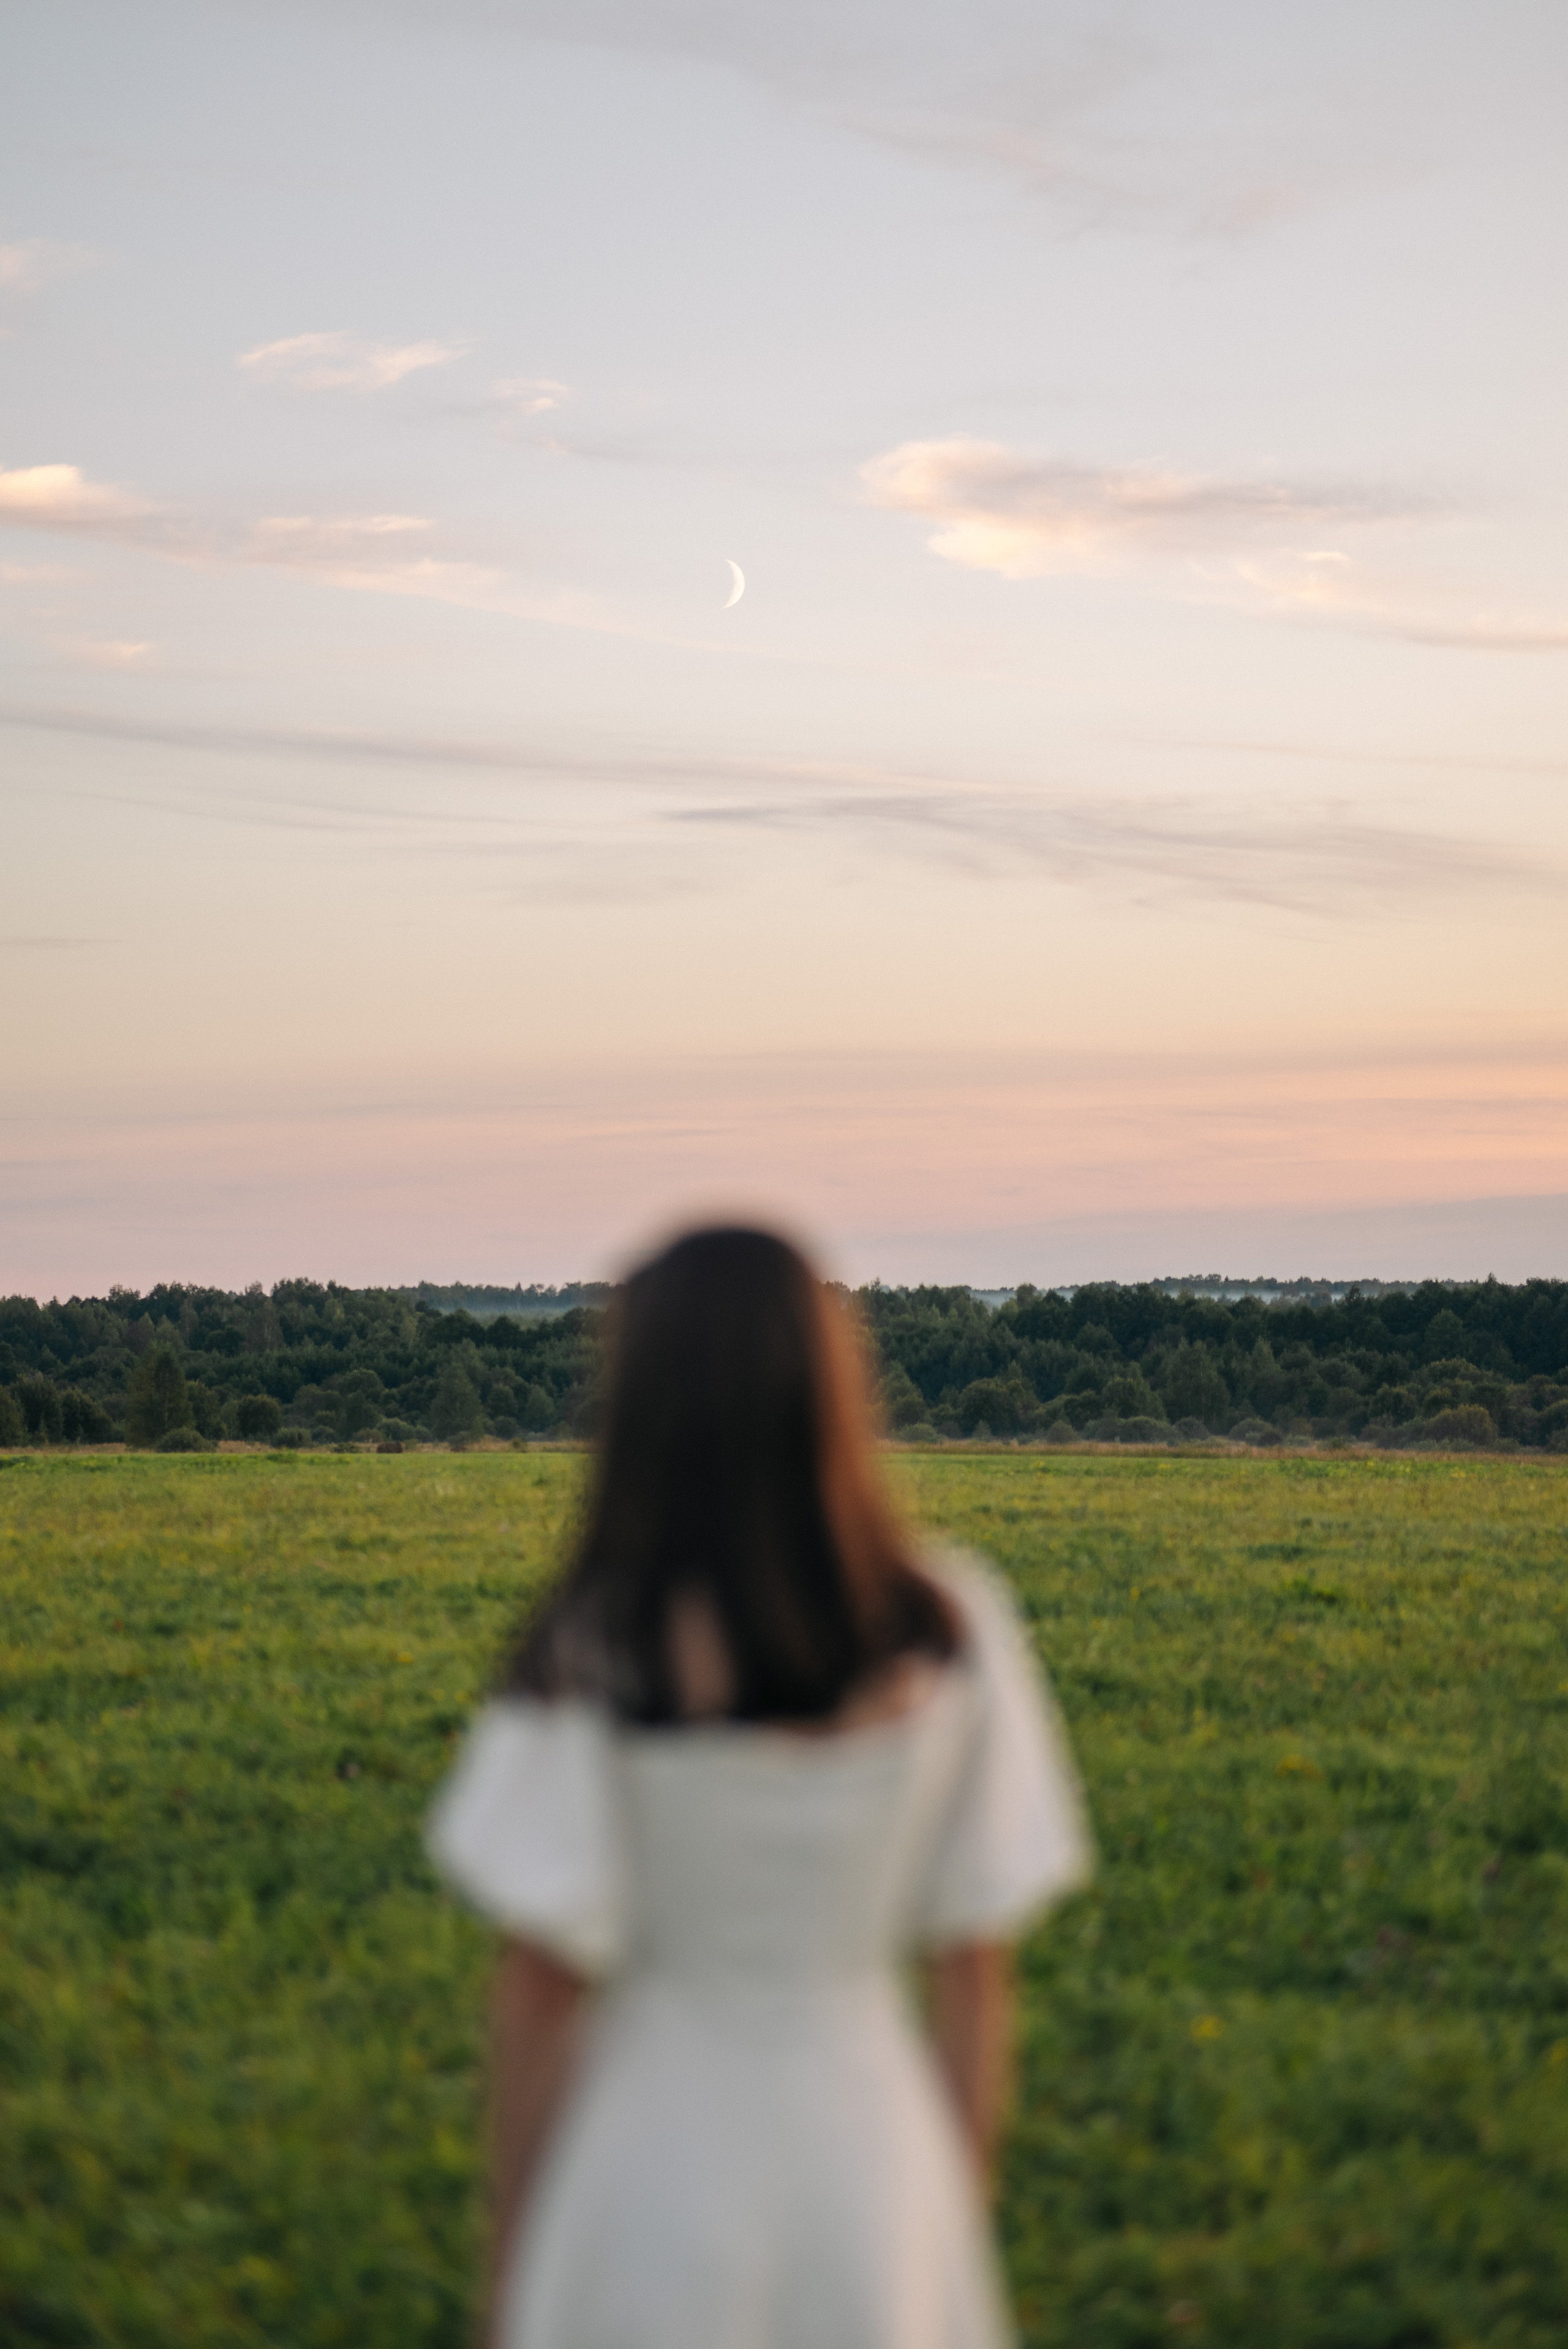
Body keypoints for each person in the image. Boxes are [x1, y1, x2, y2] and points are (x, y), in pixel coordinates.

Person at [427, 1227, 1091, 2349]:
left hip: (649, 2172)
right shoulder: (949, 1625)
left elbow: (541, 1988)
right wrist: (944, 2223)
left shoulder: (599, 1639)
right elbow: (975, 1970)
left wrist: (512, 2274)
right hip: (870, 2162)